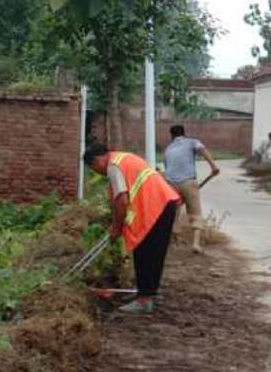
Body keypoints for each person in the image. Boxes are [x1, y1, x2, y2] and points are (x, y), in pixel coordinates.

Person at [82, 142, 182, 315]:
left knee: (147, 254)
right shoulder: (124, 158)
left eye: (93, 169)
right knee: (147, 253)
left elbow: (122, 201)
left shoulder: (113, 166)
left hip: (156, 208)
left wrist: (116, 228)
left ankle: (145, 301)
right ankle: (145, 294)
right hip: (162, 205)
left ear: (96, 161)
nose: (97, 172)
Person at [163, 124, 220, 253]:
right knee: (195, 212)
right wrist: (213, 167)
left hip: (171, 185)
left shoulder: (168, 149)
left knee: (174, 213)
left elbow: (167, 168)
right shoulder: (192, 142)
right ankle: (195, 244)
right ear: (184, 133)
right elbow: (203, 151)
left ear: (171, 136)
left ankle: (175, 242)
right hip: (189, 182)